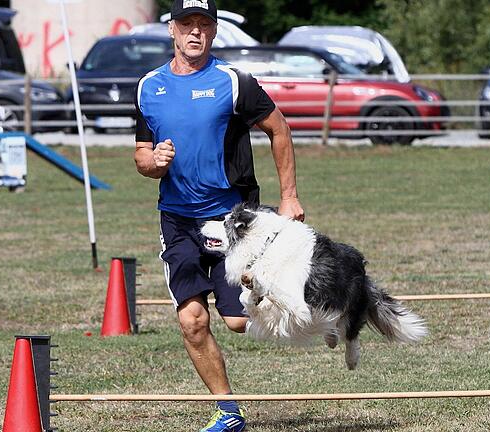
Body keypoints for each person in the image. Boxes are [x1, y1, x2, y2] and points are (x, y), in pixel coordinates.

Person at [134, 1, 304, 431]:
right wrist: (153, 161)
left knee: (238, 322)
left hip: (234, 218)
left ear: (213, 32)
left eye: (204, 25)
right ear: (172, 29)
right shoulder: (148, 87)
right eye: (187, 24)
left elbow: (279, 129)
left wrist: (289, 197)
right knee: (192, 321)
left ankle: (315, 308)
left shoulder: (234, 82)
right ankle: (228, 413)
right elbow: (141, 155)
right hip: (177, 220)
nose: (196, 33)